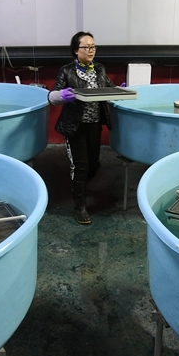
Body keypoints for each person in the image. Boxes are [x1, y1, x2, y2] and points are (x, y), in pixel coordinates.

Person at [48, 31, 116, 225]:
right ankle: (80, 206)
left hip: (94, 125)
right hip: (74, 127)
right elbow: (52, 96)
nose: (91, 50)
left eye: (93, 47)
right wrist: (62, 95)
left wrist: (119, 90)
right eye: (86, 47)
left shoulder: (99, 69)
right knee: (81, 166)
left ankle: (79, 186)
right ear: (76, 50)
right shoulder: (67, 71)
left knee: (94, 164)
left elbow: (108, 87)